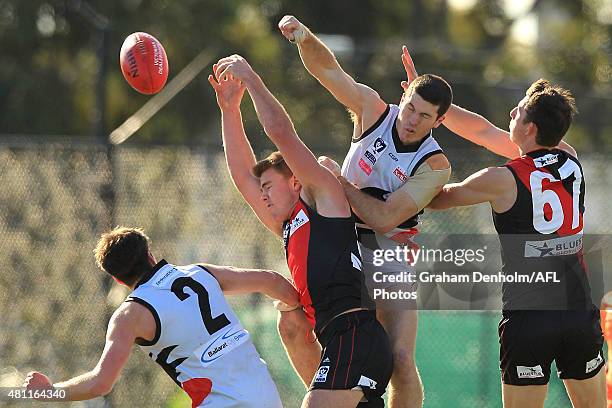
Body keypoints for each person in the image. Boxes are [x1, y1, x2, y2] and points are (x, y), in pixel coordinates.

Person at [277, 15, 454, 408]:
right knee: (292, 325)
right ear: (403, 98)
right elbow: (329, 71)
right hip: (339, 241)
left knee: (402, 360)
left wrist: (336, 183)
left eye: (424, 116)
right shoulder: (374, 109)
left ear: (439, 121)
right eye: (410, 108)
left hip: (389, 251)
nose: (410, 121)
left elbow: (385, 218)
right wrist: (304, 38)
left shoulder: (435, 164)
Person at [209, 54, 393, 407]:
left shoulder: (325, 200)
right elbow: (242, 177)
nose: (260, 193)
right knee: (289, 321)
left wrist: (252, 78)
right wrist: (230, 111)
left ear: (295, 180)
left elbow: (280, 131)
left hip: (356, 334)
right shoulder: (288, 224)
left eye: (268, 186)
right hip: (334, 343)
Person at [426, 77, 606, 407]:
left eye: (518, 111)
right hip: (578, 309)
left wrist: (408, 173)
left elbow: (436, 199)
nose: (511, 113)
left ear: (531, 128)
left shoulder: (500, 180)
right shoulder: (570, 158)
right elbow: (483, 132)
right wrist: (437, 107)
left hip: (530, 318)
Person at [23, 226, 298, 407]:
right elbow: (270, 280)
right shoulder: (199, 273)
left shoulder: (130, 315)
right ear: (151, 255)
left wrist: (48, 391)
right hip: (267, 399)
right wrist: (304, 311)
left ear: (118, 279)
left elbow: (101, 382)